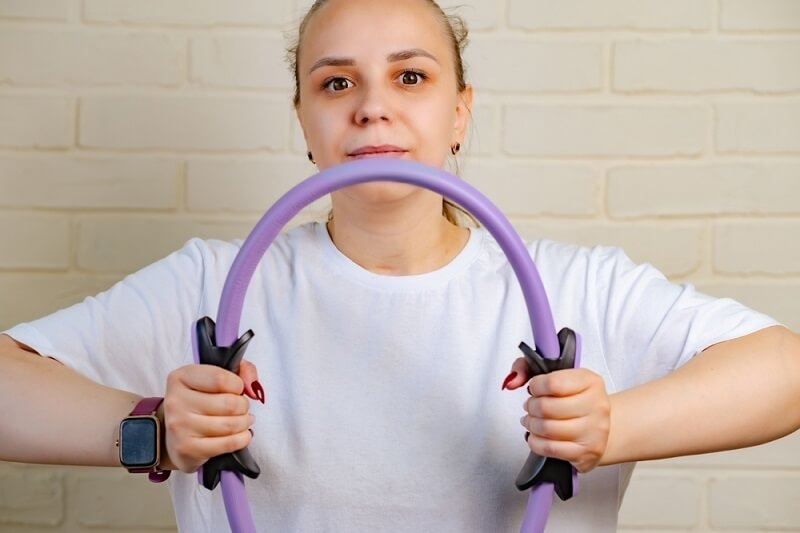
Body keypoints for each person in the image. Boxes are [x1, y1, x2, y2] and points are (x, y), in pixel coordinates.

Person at [2, 0, 799, 531]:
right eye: (336, 81)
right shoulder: (210, 284)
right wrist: (149, 430)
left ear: (460, 112)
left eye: (410, 76)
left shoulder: (577, 287)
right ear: (305, 123)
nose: (372, 105)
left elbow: (784, 370)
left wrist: (614, 426)